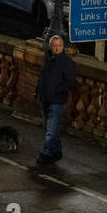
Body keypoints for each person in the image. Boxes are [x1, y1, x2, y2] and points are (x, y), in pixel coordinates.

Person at [35, 34, 76, 164]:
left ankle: (46, 153)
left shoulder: (67, 63)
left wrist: (58, 90)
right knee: (49, 127)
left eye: (60, 46)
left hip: (56, 100)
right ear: (50, 47)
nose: (57, 49)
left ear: (63, 47)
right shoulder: (47, 60)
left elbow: (70, 82)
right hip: (45, 99)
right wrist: (38, 92)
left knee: (51, 129)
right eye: (55, 46)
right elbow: (42, 78)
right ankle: (56, 150)